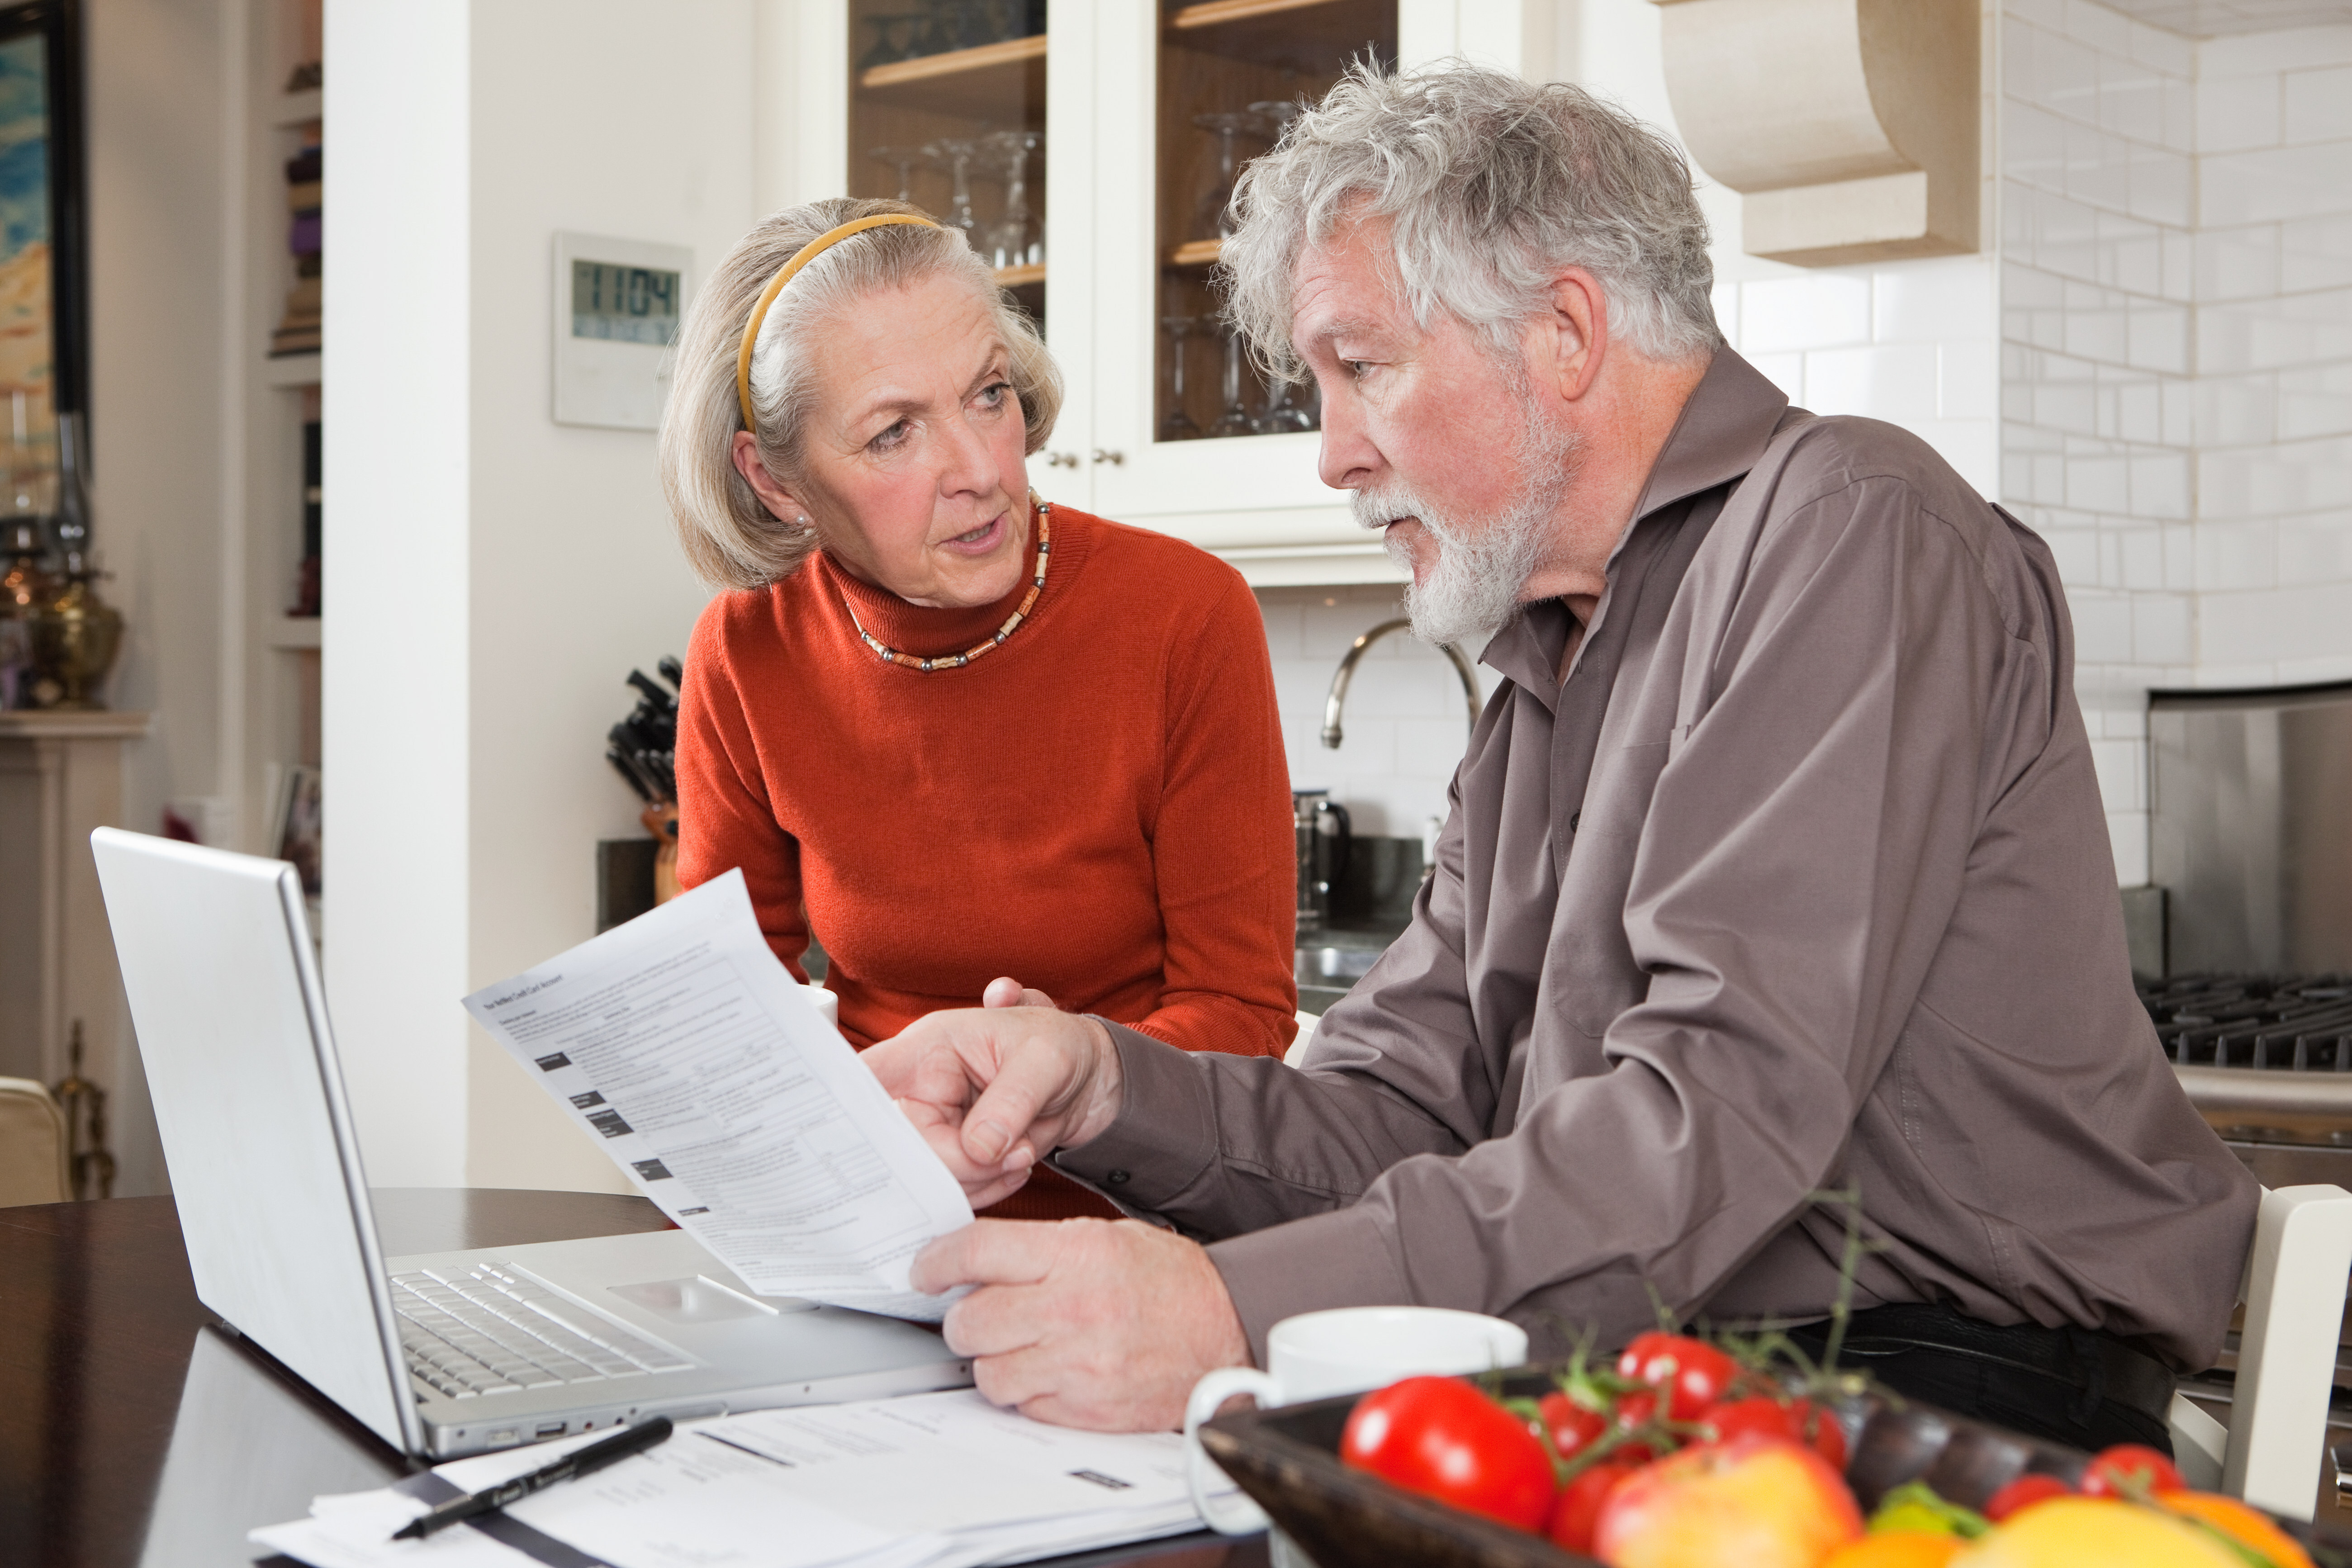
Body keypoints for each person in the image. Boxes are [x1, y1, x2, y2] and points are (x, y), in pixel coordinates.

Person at [863, 66, 2259, 1445]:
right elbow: (1403, 1109)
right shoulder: (1544, 657)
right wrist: (1104, 1084)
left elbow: (1717, 1115)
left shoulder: (1854, 528)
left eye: (1363, 367)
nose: (1334, 454)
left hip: (1954, 1388)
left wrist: (1230, 1312)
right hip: (1669, 1370)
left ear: (1566, 333)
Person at [659, 199, 1298, 1222]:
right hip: (877, 1213)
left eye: (989, 395)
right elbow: (731, 1014)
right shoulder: (746, 651)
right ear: (774, 481)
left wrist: (1072, 1072)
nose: (981, 472)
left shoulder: (1186, 615)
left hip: (1144, 1223)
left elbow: (1244, 1015)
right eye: (894, 432)